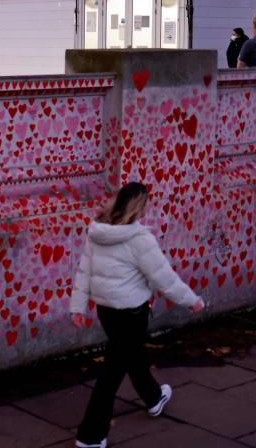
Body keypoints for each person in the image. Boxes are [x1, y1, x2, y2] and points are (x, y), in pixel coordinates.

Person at [71, 182, 205, 448]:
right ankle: (91, 436)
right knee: (112, 373)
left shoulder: (98, 230)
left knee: (131, 356)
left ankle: (154, 398)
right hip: (131, 313)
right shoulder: (140, 239)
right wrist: (192, 301)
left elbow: (84, 271)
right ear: (140, 207)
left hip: (107, 311)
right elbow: (164, 277)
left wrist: (78, 305)